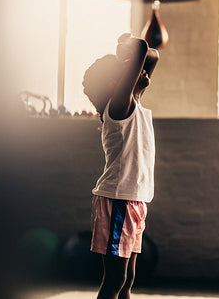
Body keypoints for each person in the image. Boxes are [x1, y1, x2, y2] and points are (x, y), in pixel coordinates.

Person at [83, 33, 159, 299]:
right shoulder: (118, 107)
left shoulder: (133, 104)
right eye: (130, 69)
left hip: (134, 201)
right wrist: (125, 46)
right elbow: (141, 50)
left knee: (128, 280)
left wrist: (126, 56)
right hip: (117, 200)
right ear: (118, 83)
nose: (141, 71)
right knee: (116, 278)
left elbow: (152, 55)